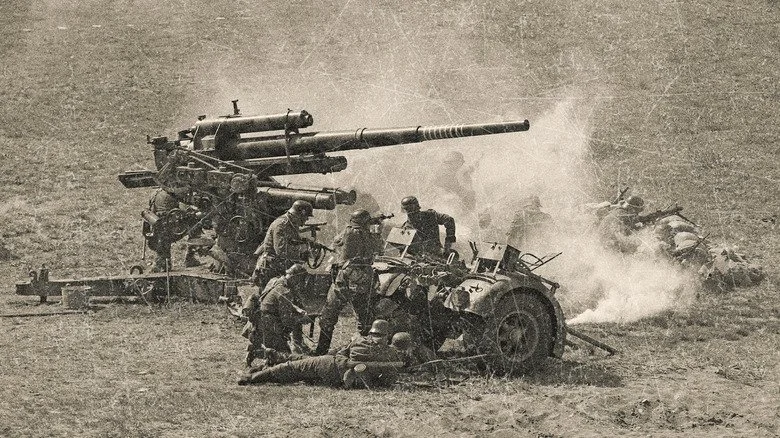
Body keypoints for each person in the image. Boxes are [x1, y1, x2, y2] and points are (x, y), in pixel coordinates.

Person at [237, 319, 405, 388]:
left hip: (331, 365)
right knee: (297, 365)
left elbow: (341, 351)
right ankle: (260, 370)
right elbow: (387, 381)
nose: (375, 338)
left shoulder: (361, 340)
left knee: (295, 367)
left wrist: (341, 359)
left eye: (377, 335)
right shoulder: (389, 355)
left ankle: (256, 373)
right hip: (337, 374)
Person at [315, 209, 383, 355]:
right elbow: (378, 250)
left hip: (342, 279)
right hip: (358, 279)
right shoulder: (360, 234)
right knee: (363, 319)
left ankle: (321, 352)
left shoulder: (348, 232)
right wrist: (377, 232)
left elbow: (337, 244)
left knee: (329, 317)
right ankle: (360, 351)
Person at [242, 263, 310, 367]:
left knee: (267, 341)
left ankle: (254, 351)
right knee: (284, 355)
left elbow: (274, 300)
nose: (299, 284)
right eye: (299, 280)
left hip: (259, 319)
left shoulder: (274, 280)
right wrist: (301, 319)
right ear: (295, 277)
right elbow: (286, 320)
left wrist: (296, 309)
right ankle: (265, 358)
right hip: (269, 323)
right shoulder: (285, 292)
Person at [251, 200, 313, 287]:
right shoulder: (281, 225)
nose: (306, 220)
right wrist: (301, 249)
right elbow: (281, 250)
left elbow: (291, 241)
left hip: (278, 267)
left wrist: (305, 243)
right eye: (305, 217)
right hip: (270, 268)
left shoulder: (291, 224)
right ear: (299, 215)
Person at [145, 189, 207, 272]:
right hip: (172, 229)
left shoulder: (155, 193)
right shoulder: (175, 193)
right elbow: (186, 210)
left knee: (164, 234)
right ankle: (190, 257)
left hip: (157, 231)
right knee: (196, 222)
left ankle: (162, 263)